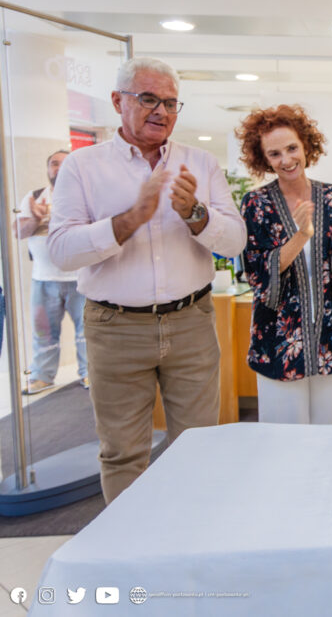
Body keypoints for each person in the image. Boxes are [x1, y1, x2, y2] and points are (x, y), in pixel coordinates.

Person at [48, 57, 246, 503]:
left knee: (197, 447)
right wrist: (132, 218)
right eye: (149, 99)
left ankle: (188, 545)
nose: (161, 111)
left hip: (191, 322)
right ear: (119, 102)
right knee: (123, 454)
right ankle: (130, 553)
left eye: (171, 103)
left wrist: (194, 213)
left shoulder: (201, 163)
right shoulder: (83, 166)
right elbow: (61, 251)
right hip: (115, 328)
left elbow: (234, 241)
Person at [238, 104, 332, 424]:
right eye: (275, 154)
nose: (286, 160)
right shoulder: (256, 204)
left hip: (330, 335)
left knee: (325, 435)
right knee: (284, 443)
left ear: (306, 145)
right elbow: (256, 274)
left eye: (292, 148)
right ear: (263, 159)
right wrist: (301, 236)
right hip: (279, 341)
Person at [16, 150, 89, 394]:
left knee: (87, 332)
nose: (58, 168)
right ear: (48, 170)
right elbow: (19, 232)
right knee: (43, 333)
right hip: (43, 279)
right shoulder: (35, 197)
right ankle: (41, 376)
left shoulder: (86, 195)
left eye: (64, 163)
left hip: (81, 279)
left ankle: (90, 373)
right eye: (54, 164)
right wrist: (35, 218)